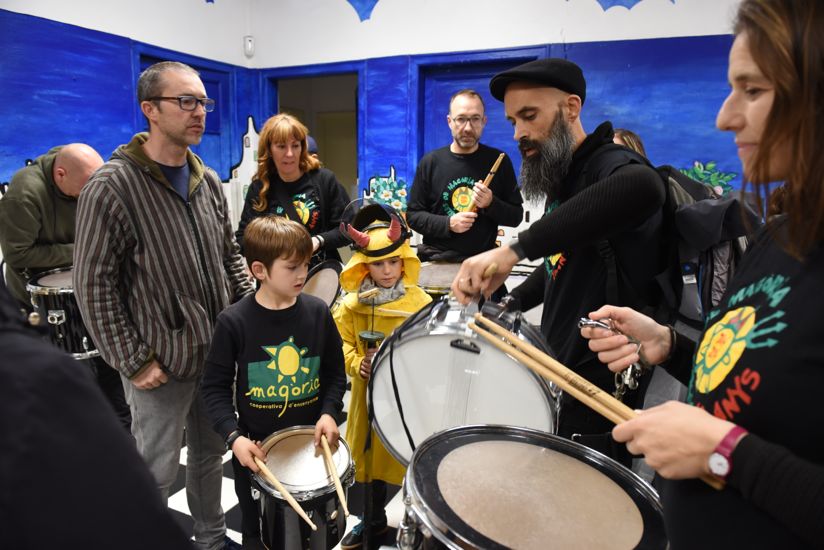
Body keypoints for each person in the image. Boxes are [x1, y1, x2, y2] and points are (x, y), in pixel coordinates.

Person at [580, 1, 824, 546]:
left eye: (753, 90)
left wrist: (724, 454)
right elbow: (770, 390)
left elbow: (741, 444)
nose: (725, 117)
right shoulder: (780, 235)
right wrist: (671, 347)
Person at [73, 61, 254, 550]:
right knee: (154, 469)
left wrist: (250, 315)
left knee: (209, 456)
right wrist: (132, 360)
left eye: (203, 102)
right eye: (186, 101)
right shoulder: (111, 187)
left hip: (215, 356)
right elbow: (94, 285)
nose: (200, 112)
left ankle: (211, 538)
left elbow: (229, 256)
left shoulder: (207, 180)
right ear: (150, 109)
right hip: (159, 362)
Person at [451, 59, 666, 454]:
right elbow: (562, 263)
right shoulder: (564, 176)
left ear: (571, 108)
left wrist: (514, 250)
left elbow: (645, 185)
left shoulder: (609, 165)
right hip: (558, 369)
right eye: (513, 121)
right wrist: (511, 303)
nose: (518, 133)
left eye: (529, 116)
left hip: (599, 381)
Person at [0, 276, 194, 550]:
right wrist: (133, 360)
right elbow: (127, 514)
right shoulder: (36, 377)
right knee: (152, 466)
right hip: (146, 356)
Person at [202, 215, 347, 550]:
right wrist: (234, 438)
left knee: (315, 537)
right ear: (259, 270)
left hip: (311, 451)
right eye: (292, 267)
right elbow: (213, 388)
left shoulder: (318, 313)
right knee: (259, 534)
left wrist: (329, 412)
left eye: (306, 264)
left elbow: (335, 374)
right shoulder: (233, 321)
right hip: (258, 454)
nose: (302, 274)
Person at [0, 143, 132, 432]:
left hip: (86, 291)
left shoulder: (83, 180)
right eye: (87, 186)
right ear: (60, 174)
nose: (93, 192)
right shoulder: (24, 195)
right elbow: (17, 254)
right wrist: (83, 250)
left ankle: (121, 439)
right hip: (40, 303)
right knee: (70, 382)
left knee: (111, 376)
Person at [333, 202, 432, 548]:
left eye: (393, 262)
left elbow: (429, 348)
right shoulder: (351, 305)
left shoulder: (420, 303)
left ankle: (414, 520)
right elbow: (342, 343)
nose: (387, 271)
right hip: (367, 395)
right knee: (369, 457)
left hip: (407, 395)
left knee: (408, 454)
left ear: (404, 261)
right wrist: (355, 363)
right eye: (378, 264)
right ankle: (371, 520)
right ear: (364, 266)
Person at [407, 89, 523, 297]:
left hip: (482, 268)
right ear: (449, 121)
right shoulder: (430, 162)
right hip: (436, 268)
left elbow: (516, 216)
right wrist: (448, 223)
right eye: (461, 119)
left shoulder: (499, 161)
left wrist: (491, 203)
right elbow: (413, 216)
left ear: (484, 121)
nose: (468, 128)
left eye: (475, 119)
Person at [235, 114, 350, 268]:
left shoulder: (324, 180)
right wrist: (274, 249)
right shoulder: (259, 188)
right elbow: (242, 240)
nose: (289, 154)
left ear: (302, 147)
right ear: (269, 149)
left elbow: (347, 230)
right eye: (281, 146)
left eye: (295, 146)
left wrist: (318, 240)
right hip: (277, 278)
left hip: (321, 274)